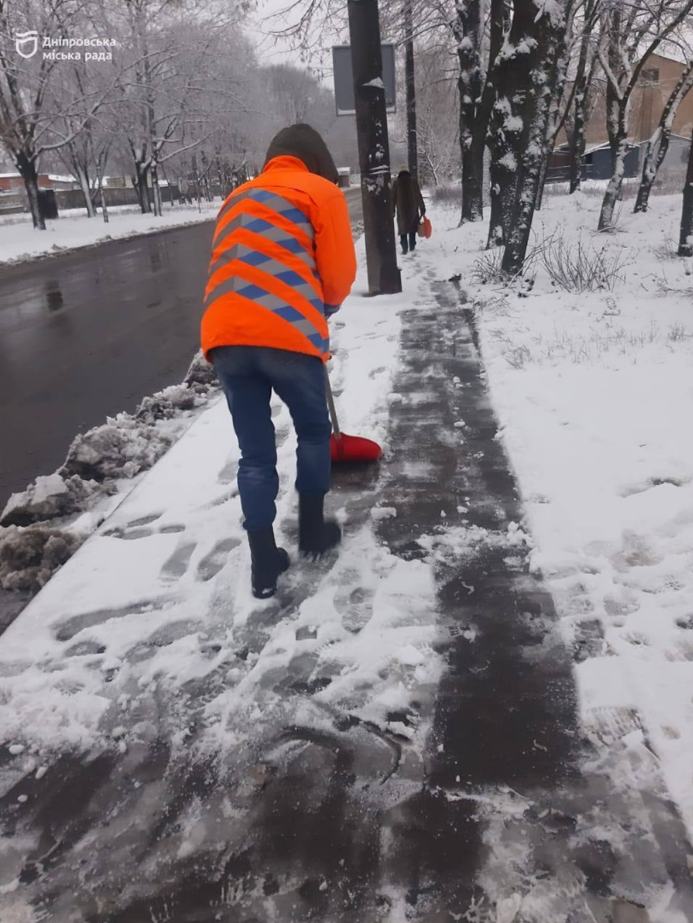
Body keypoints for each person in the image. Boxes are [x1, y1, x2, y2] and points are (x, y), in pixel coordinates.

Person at [201, 124, 357, 599]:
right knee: (312, 432)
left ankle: (263, 562)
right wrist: (320, 310)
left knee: (254, 453)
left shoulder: (236, 197)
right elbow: (338, 275)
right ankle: (311, 531)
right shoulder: (320, 191)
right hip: (286, 332)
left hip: (223, 335)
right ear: (315, 160)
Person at [392, 167, 426, 254]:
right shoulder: (413, 181)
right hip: (412, 209)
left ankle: (404, 247)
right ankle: (412, 245)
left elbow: (392, 198)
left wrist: (392, 210)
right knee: (412, 228)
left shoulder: (396, 183)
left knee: (402, 229)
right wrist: (422, 207)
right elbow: (418, 195)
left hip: (401, 210)